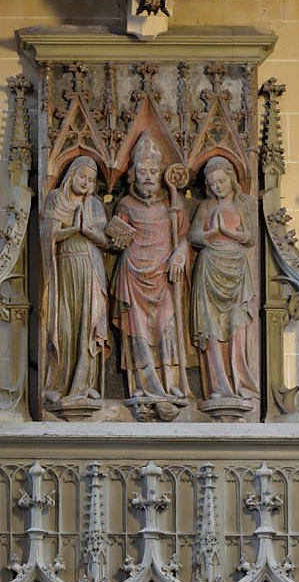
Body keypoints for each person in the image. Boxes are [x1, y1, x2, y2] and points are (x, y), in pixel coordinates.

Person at [109, 132, 194, 400]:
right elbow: (115, 243)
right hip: (133, 276)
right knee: (139, 333)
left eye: (153, 171)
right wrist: (114, 238)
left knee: (167, 328)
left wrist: (180, 253)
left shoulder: (173, 206)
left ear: (161, 175)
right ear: (133, 175)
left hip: (164, 276)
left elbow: (183, 237)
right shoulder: (125, 204)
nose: (147, 176)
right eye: (142, 171)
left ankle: (171, 384)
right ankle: (143, 386)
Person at [188, 156, 259, 401]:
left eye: (221, 180)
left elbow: (251, 237)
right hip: (209, 266)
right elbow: (194, 236)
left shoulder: (244, 203)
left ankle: (242, 384)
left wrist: (227, 232)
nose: (218, 186)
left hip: (236, 267)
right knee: (211, 328)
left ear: (232, 179)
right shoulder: (206, 207)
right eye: (212, 182)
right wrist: (211, 232)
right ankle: (219, 387)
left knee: (237, 326)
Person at [41, 156, 109, 403]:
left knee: (88, 324)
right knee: (65, 326)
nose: (86, 182)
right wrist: (73, 228)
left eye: (90, 180)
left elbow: (106, 242)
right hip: (65, 266)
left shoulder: (95, 206)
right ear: (71, 175)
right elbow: (48, 235)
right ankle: (59, 383)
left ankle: (84, 383)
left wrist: (89, 231)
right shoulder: (56, 199)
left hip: (91, 266)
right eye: (82, 177)